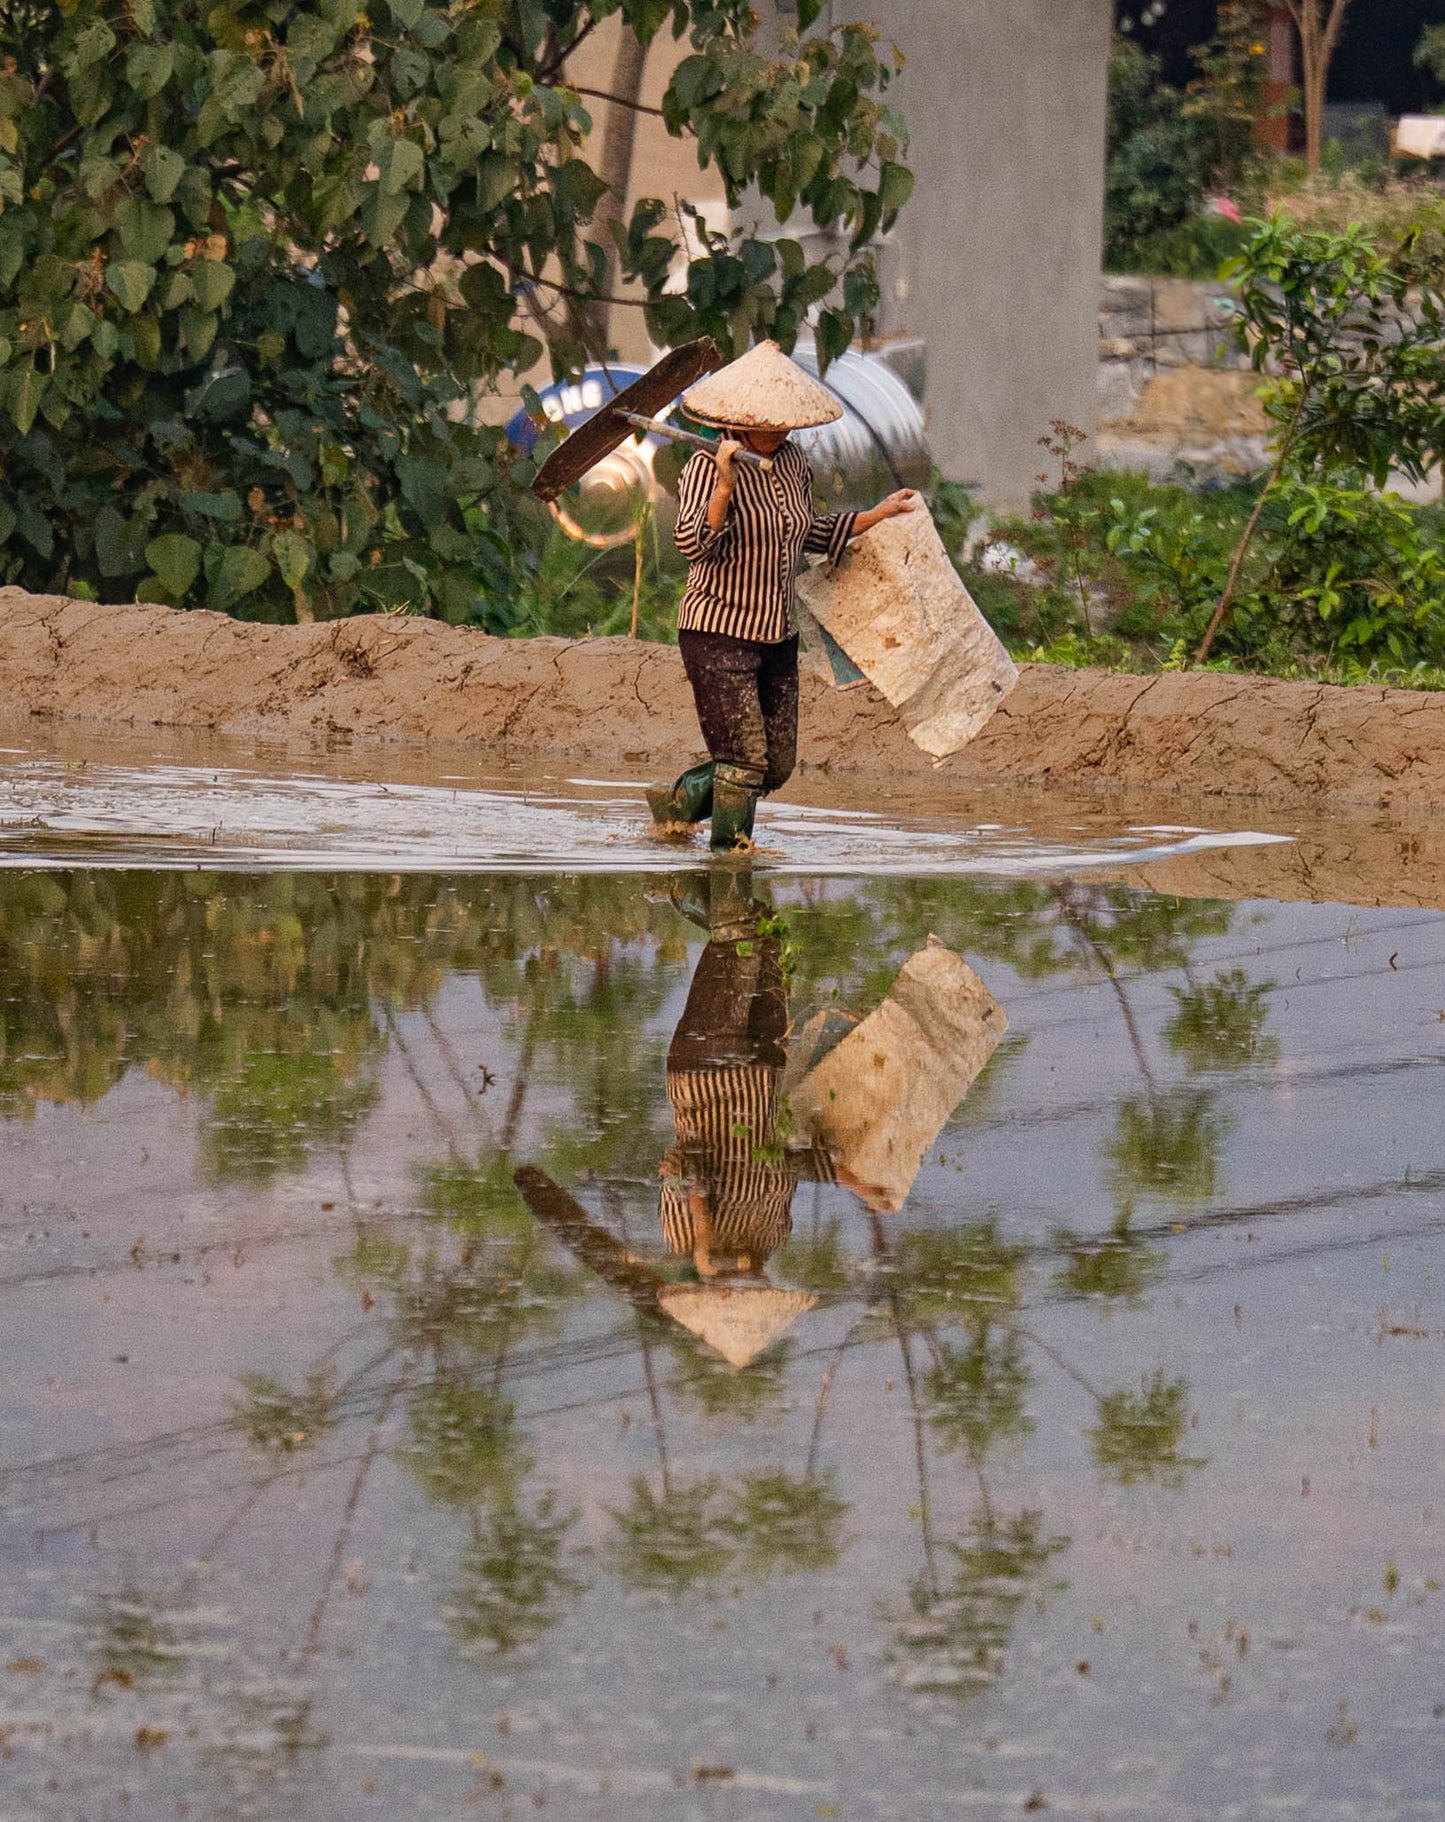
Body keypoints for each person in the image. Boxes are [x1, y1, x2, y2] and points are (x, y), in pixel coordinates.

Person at [646, 341, 918, 850]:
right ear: (739, 417)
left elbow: (806, 530)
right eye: (765, 422)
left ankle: (678, 806)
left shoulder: (792, 464)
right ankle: (731, 863)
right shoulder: (706, 467)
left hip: (776, 635)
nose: (777, 431)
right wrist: (725, 486)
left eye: (784, 422)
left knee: (776, 764)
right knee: (745, 760)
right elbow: (693, 547)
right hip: (718, 631)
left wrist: (876, 514)